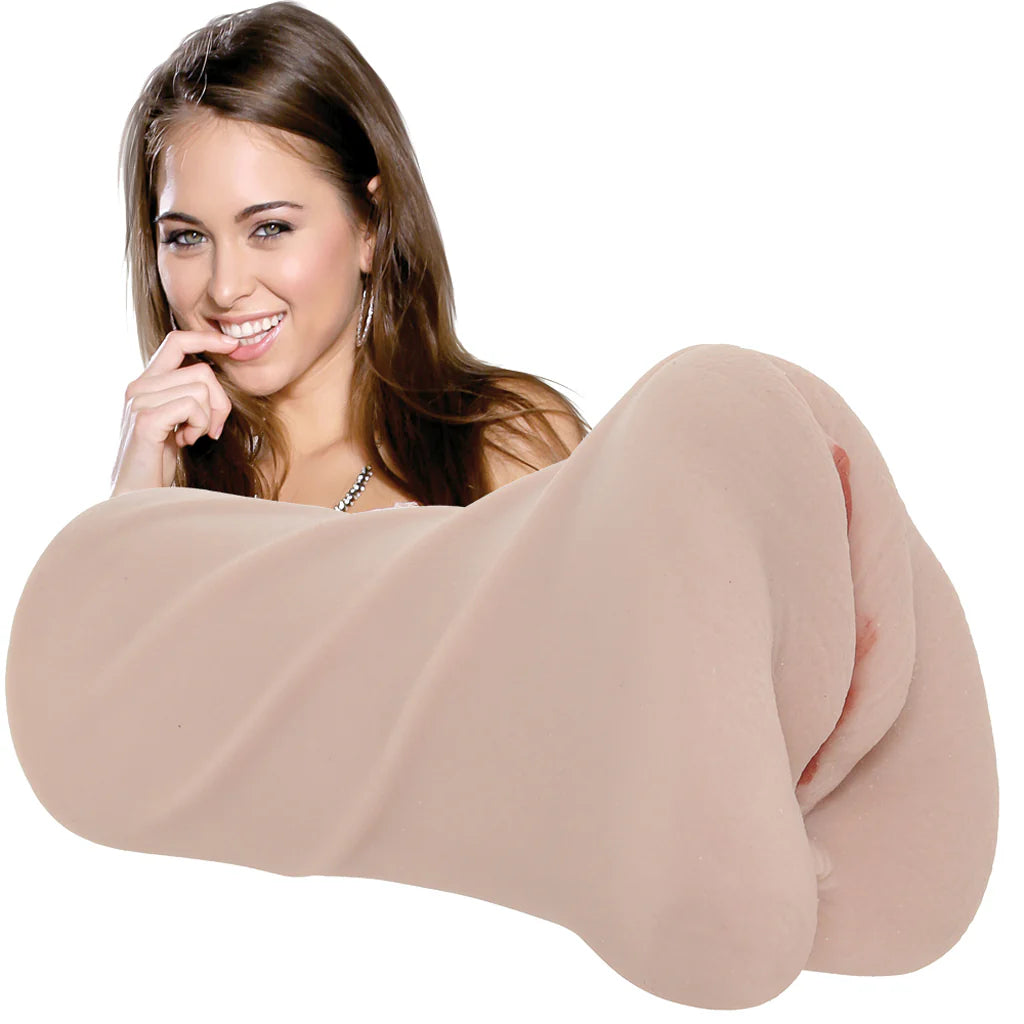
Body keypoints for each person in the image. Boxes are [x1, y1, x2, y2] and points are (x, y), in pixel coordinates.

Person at [110, 1, 591, 512]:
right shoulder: (172, 495)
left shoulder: (502, 443)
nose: (225, 288)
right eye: (188, 238)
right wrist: (130, 504)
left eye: (270, 228)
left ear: (371, 226)